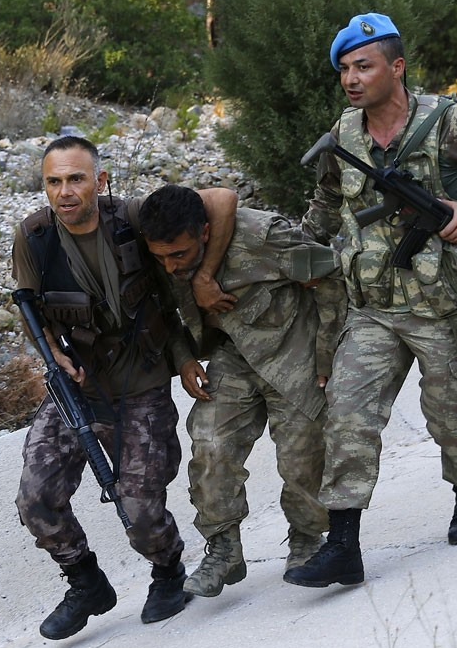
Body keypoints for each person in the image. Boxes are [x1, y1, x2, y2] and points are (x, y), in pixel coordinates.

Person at [283, 12, 457, 588]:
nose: (351, 78)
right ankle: (343, 543)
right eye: (344, 68)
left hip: (444, 303)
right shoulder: (343, 135)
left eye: (363, 66)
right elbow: (325, 202)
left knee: (451, 416)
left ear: (396, 68)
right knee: (348, 412)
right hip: (372, 305)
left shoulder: (454, 122)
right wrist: (297, 255)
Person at [11, 136, 237, 639]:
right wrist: (56, 354)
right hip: (80, 382)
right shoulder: (34, 237)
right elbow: (30, 309)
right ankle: (85, 581)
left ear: (100, 180)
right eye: (54, 181)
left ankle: (167, 568)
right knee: (36, 496)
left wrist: (201, 281)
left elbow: (219, 201)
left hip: (144, 378)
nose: (65, 192)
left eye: (76, 178)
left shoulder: (131, 218)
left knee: (138, 503)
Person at [138, 184, 347, 598]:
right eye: (160, 257)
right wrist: (183, 358)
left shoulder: (264, 236)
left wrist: (327, 355)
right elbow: (162, 310)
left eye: (178, 255)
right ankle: (223, 549)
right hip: (232, 357)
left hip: (293, 352)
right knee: (211, 443)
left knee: (301, 455)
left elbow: (332, 277)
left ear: (203, 232)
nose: (169, 266)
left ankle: (307, 538)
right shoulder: (163, 257)